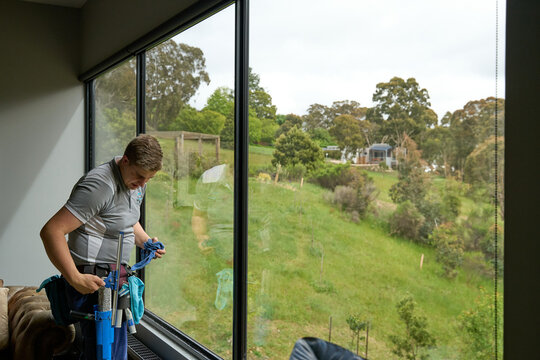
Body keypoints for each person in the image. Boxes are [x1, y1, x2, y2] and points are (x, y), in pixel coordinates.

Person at [40, 134, 166, 360]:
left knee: (111, 352)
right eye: (139, 176)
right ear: (125, 160)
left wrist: (146, 241)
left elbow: (123, 218)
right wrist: (75, 279)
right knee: (103, 352)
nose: (142, 185)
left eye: (149, 179)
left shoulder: (135, 183)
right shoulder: (99, 186)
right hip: (94, 281)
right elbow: (51, 231)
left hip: (116, 278)